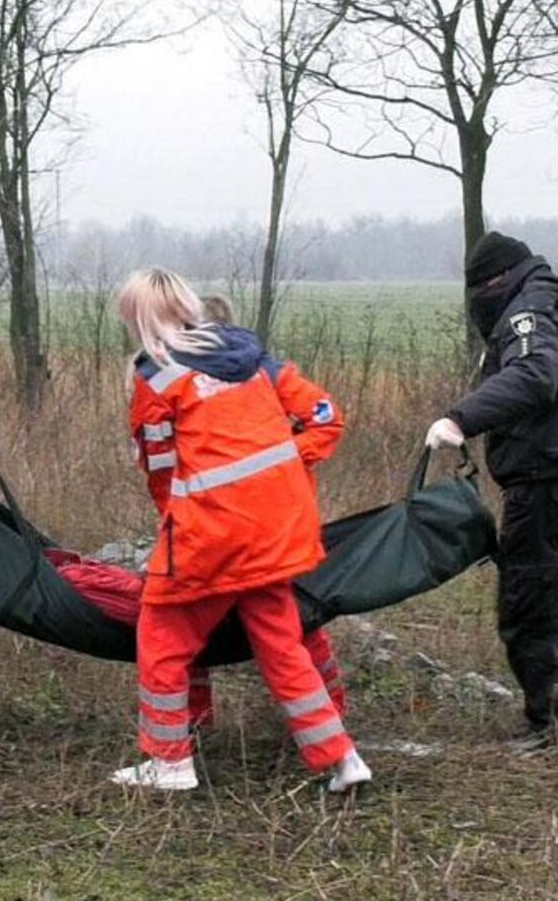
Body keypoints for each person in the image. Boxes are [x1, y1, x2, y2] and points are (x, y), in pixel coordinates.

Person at [117, 268, 371, 793]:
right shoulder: (255, 361)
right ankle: (342, 758)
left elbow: (161, 473)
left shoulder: (156, 377)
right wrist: (284, 470)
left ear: (138, 320)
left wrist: (179, 528)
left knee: (161, 636)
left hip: (211, 537)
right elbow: (324, 416)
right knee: (282, 643)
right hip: (278, 532)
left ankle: (170, 762)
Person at [425, 232, 558, 750]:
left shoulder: (527, 313)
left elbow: (535, 376)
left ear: (492, 283)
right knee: (555, 597)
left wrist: (460, 420)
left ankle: (548, 726)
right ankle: (556, 710)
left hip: (548, 477)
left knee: (529, 602)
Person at [185, 293, 348, 730]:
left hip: (269, 527)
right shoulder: (181, 384)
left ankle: (330, 719)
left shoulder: (268, 374)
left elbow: (326, 418)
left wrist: (280, 462)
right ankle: (196, 725)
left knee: (292, 625)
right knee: (206, 625)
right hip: (217, 526)